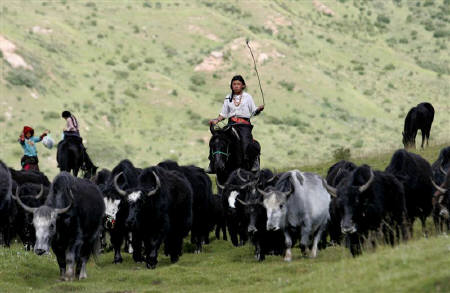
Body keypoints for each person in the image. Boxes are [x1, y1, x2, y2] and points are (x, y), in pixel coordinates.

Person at [207, 75, 264, 173]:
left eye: (238, 84)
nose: (236, 86)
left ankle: (254, 162)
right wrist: (216, 120)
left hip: (244, 126)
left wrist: (258, 109)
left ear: (243, 86)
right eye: (234, 84)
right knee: (217, 139)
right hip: (230, 125)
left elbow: (253, 111)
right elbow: (224, 114)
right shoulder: (228, 97)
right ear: (231, 86)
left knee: (247, 143)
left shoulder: (247, 97)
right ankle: (212, 164)